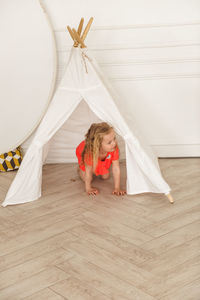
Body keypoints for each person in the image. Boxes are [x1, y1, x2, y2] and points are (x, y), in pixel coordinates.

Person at [76, 122, 126, 196]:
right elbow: (88, 171)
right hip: (88, 156)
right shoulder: (89, 153)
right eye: (109, 142)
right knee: (87, 177)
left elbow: (116, 168)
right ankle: (80, 169)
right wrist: (88, 188)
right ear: (98, 145)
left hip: (101, 158)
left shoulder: (113, 148)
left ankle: (99, 167)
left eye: (114, 139)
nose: (114, 143)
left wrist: (117, 188)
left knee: (105, 177)